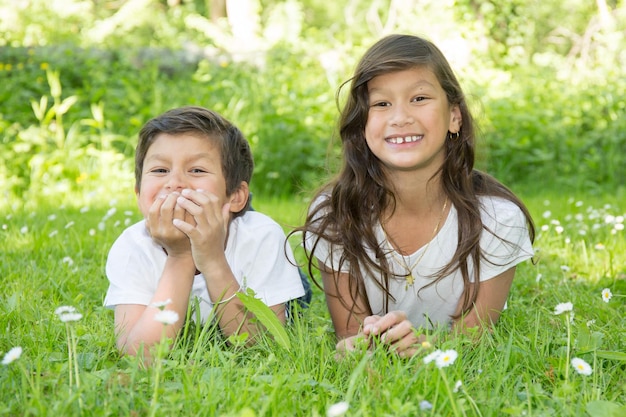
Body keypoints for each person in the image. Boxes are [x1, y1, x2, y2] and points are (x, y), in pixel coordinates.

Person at [295, 34, 535, 358]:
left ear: (454, 116)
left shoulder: (497, 219)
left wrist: (421, 349)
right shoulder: (335, 215)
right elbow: (352, 335)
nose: (400, 117)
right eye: (382, 103)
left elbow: (471, 343)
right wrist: (361, 347)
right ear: (362, 123)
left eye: (419, 98)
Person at [104, 106, 307, 361]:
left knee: (296, 300)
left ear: (235, 197)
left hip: (254, 268)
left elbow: (260, 346)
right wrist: (180, 256)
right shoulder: (132, 246)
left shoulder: (262, 236)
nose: (174, 182)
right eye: (160, 170)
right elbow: (139, 354)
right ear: (139, 195)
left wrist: (211, 258)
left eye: (197, 170)